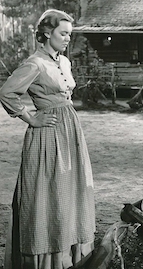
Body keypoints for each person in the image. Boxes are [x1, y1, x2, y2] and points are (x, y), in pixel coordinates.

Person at [0, 9, 95, 269]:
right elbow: (7, 92)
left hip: (70, 131)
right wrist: (31, 118)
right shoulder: (35, 63)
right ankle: (47, 260)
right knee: (47, 191)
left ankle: (71, 255)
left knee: (71, 188)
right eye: (63, 33)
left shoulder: (64, 62)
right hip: (47, 134)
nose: (67, 39)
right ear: (46, 33)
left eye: (69, 34)